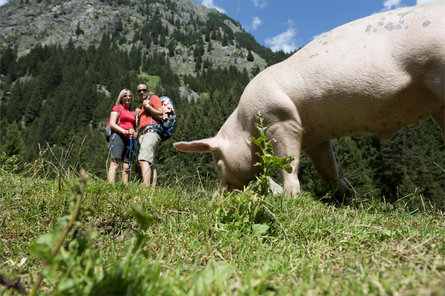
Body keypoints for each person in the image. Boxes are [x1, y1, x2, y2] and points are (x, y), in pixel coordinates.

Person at [107, 89, 137, 183]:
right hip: (118, 136)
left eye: (130, 95)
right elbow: (112, 124)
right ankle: (111, 186)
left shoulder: (132, 112)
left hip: (129, 139)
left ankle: (125, 187)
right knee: (116, 162)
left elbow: (134, 126)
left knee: (126, 165)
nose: (128, 97)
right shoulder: (117, 108)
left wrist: (135, 133)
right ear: (121, 98)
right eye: (125, 95)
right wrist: (125, 131)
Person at [136, 82, 163, 187]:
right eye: (139, 91)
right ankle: (152, 188)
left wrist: (147, 106)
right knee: (150, 162)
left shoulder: (153, 98)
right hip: (143, 134)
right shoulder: (141, 107)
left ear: (148, 91)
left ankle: (145, 185)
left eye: (144, 90)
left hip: (151, 131)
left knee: (143, 158)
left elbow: (160, 114)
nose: (141, 92)